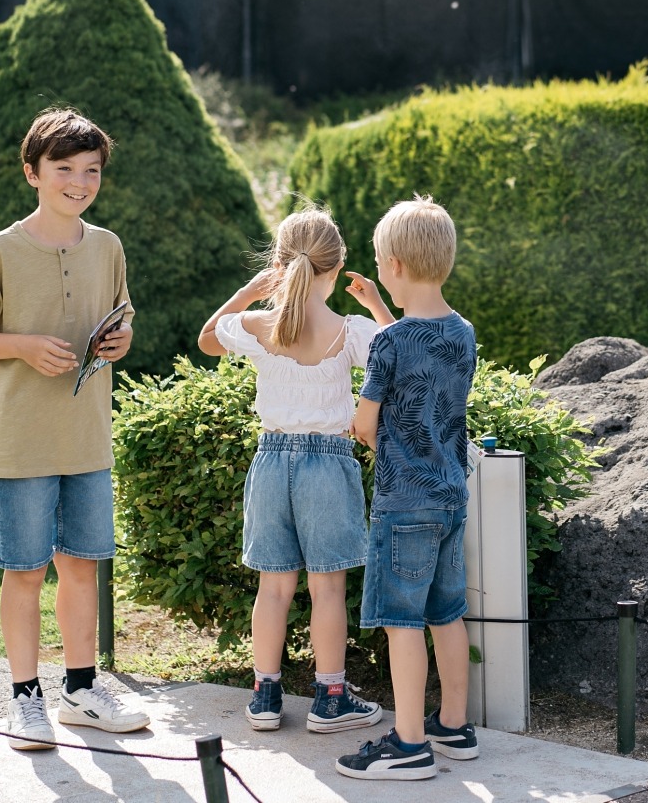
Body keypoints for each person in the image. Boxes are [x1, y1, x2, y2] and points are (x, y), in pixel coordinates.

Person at [0, 107, 149, 750]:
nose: (79, 182)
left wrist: (119, 342)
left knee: (83, 567)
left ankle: (81, 690)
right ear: (32, 172)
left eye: (91, 171)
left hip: (86, 435)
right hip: (19, 439)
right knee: (26, 570)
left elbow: (122, 319)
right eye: (64, 169)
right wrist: (25, 346)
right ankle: (24, 699)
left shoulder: (108, 245)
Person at [197, 204, 395, 735]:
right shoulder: (350, 330)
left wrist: (249, 293)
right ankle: (330, 699)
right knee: (327, 590)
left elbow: (207, 339)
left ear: (280, 265)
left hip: (271, 458)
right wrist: (376, 304)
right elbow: (399, 353)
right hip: (328, 464)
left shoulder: (260, 325)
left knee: (274, 587)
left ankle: (265, 697)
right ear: (336, 267)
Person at [335, 194, 479, 782]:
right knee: (446, 614)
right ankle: (453, 727)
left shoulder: (388, 344)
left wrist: (365, 430)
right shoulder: (462, 331)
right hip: (449, 496)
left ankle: (409, 743)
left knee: (402, 622)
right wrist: (373, 303)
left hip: (404, 502)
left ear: (393, 264)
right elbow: (422, 353)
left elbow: (364, 422)